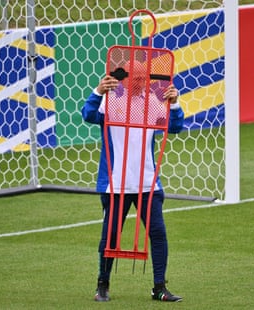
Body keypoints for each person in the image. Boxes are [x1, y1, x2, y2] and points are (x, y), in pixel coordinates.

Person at [81, 59, 184, 302]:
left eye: (144, 78)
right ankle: (102, 285)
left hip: (148, 184)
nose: (141, 83)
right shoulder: (110, 99)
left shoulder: (153, 102)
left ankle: (159, 287)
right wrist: (97, 91)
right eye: (136, 78)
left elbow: (176, 127)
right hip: (115, 184)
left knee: (158, 234)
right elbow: (88, 115)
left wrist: (175, 103)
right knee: (110, 236)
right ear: (124, 77)